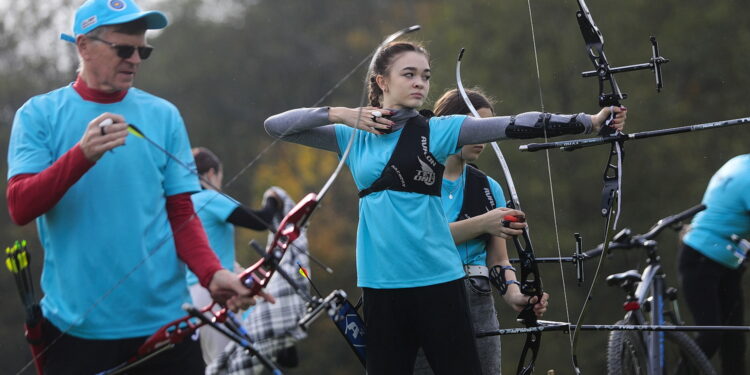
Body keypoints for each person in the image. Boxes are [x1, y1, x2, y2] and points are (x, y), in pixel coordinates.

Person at [264, 40, 625, 374]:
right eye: (409, 74)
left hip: (437, 281)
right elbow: (276, 126)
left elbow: (511, 125)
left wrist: (587, 122)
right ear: (381, 81)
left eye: (425, 76)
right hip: (380, 284)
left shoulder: (437, 130)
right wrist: (340, 113)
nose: (420, 82)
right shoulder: (352, 136)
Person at [5, 1, 269, 373]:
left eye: (143, 49)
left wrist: (212, 274)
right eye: (123, 49)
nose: (135, 59)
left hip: (167, 324)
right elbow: (20, 206)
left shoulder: (164, 115)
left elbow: (181, 214)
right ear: (83, 46)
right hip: (74, 331)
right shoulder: (38, 115)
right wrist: (81, 155)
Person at [412, 88, 549, 375]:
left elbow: (498, 260)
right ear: (448, 127)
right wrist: (482, 223)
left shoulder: (489, 187)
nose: (483, 139)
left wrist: (516, 295)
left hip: (477, 299)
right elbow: (416, 240)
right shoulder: (415, 179)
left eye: (487, 130)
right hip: (423, 295)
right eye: (476, 129)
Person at [188, 147, 282, 365]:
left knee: (214, 365)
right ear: (211, 173)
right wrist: (273, 200)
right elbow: (260, 221)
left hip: (191, 296)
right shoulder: (209, 198)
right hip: (216, 293)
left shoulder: (184, 205)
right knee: (231, 365)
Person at [679, 154, 749, 374]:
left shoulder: (739, 162)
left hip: (724, 261)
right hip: (701, 258)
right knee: (711, 337)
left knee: (734, 341)